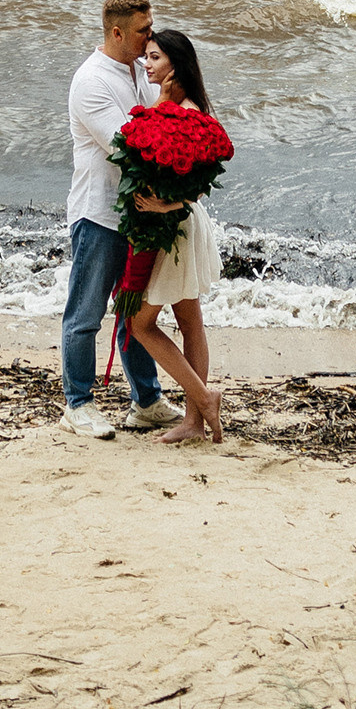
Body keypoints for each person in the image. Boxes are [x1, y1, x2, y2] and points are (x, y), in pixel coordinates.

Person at [61, 0, 170, 437]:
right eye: (144, 31)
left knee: (133, 312)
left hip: (138, 212)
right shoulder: (91, 81)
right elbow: (129, 146)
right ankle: (78, 404)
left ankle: (145, 401)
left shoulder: (140, 71)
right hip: (99, 214)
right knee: (85, 314)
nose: (151, 39)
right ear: (118, 32)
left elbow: (162, 121)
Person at [119, 22, 225, 444]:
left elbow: (199, 183)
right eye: (146, 56)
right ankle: (194, 422)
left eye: (156, 57)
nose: (147, 63)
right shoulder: (167, 105)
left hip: (176, 226)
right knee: (188, 319)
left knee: (139, 322)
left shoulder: (191, 115)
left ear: (176, 65)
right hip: (177, 223)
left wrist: (166, 204)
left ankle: (202, 398)